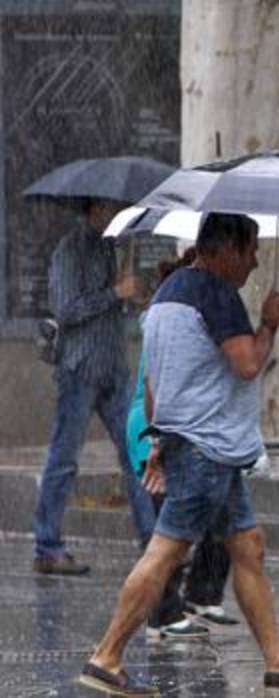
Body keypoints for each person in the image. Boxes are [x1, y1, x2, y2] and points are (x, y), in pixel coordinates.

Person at [79, 213, 279, 696]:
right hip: (208, 449)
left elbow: (156, 383)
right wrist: (270, 325)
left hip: (195, 444)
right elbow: (247, 365)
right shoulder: (217, 294)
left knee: (248, 545)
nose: (256, 259)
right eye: (252, 248)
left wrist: (158, 443)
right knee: (165, 552)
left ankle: (278, 660)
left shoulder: (166, 297)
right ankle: (107, 655)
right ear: (228, 248)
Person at [33, 197, 155, 575]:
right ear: (94, 209)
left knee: (136, 454)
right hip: (81, 367)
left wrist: (131, 297)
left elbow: (110, 307)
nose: (116, 212)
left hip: (112, 369)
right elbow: (67, 309)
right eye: (109, 207)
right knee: (64, 457)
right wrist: (113, 295)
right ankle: (47, 546)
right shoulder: (70, 250)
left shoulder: (109, 247)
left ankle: (152, 540)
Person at [125, 247, 237, 640]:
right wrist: (159, 441)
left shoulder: (185, 315)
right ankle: (162, 615)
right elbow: (158, 386)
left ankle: (197, 596)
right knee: (166, 535)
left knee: (215, 523)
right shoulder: (171, 319)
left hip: (180, 433)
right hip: (157, 432)